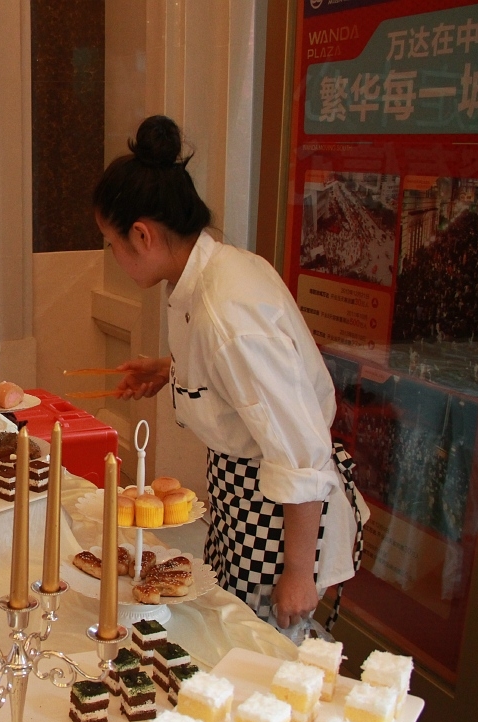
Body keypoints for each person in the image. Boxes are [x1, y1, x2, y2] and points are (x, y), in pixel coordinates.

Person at [94, 116, 369, 631]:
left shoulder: (228, 310)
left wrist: (297, 573)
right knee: (223, 626)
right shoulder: (206, 277)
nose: (114, 256)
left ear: (141, 234)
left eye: (111, 243)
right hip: (237, 495)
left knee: (258, 647)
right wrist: (168, 369)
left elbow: (300, 448)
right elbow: (239, 379)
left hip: (278, 515)